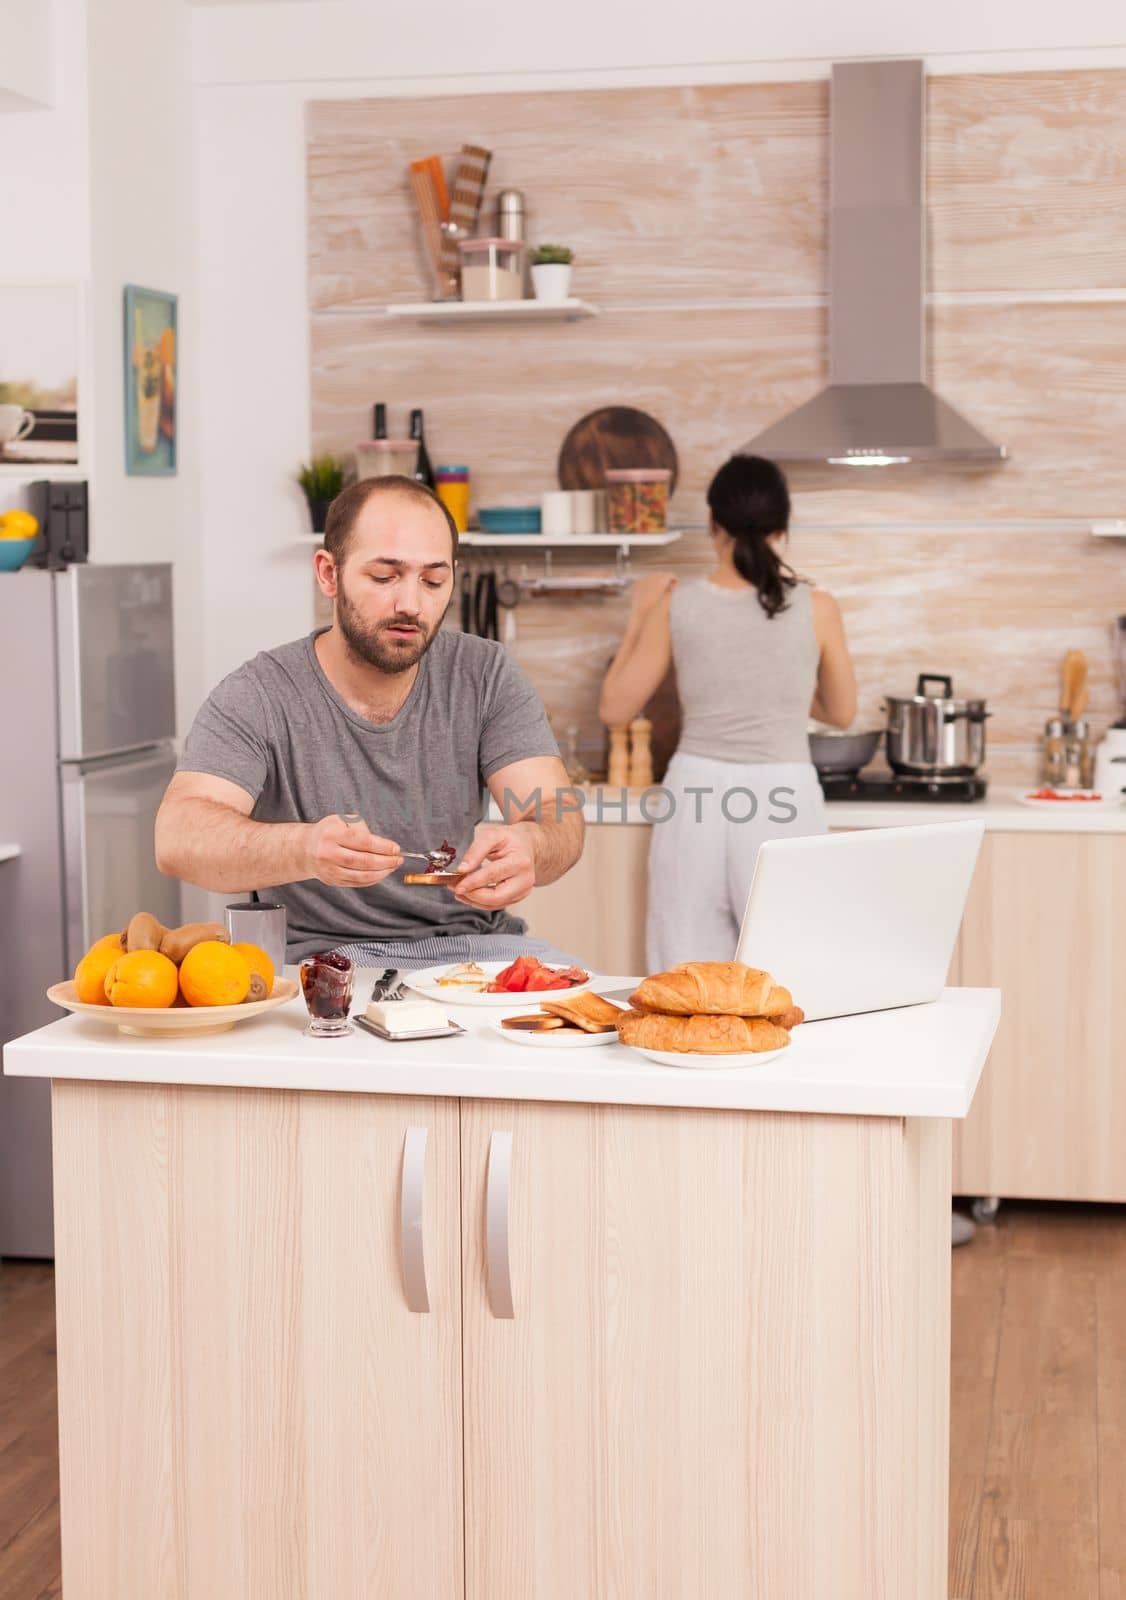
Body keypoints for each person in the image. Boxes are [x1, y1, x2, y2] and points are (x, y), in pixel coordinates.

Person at [155, 475, 584, 968]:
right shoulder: (259, 694)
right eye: (384, 577)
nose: (411, 603)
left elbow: (556, 811)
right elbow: (178, 836)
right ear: (328, 574)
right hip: (320, 964)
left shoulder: (486, 675)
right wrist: (305, 847)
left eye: (433, 580)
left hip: (474, 953)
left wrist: (534, 843)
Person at [599, 454, 857, 972]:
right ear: (783, 528)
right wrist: (781, 680)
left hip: (696, 792)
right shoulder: (817, 606)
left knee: (687, 971)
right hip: (785, 792)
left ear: (714, 523)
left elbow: (615, 708)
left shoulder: (680, 604)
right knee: (792, 970)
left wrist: (638, 614)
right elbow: (842, 713)